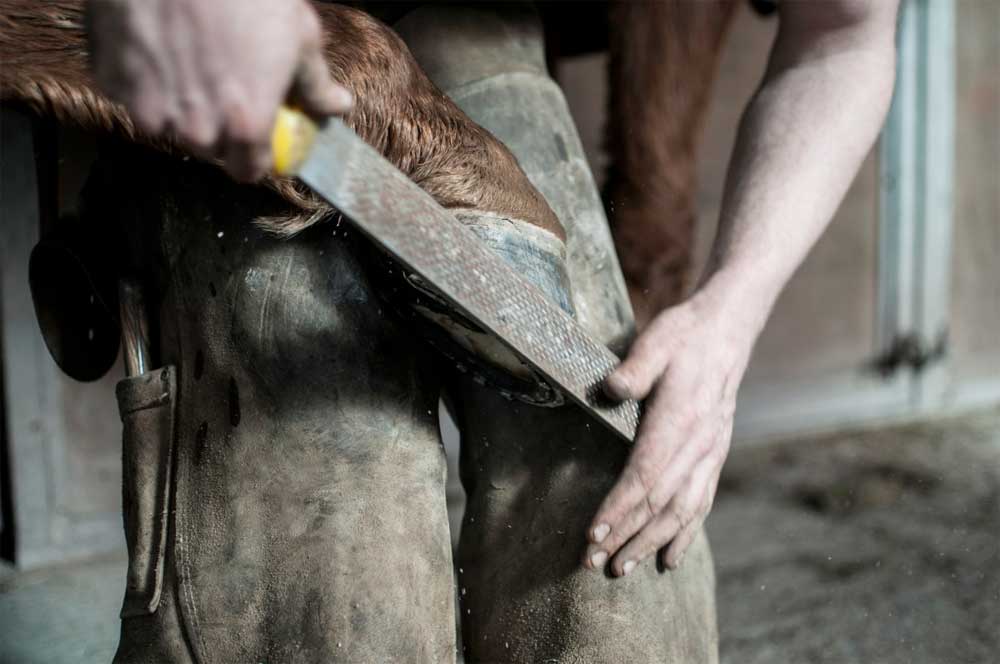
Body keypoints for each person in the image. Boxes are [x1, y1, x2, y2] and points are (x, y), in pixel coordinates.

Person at [80, 0, 900, 659]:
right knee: (325, 560)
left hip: (473, 24)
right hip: (237, 51)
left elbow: (843, 37)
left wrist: (731, 311)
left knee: (617, 516)